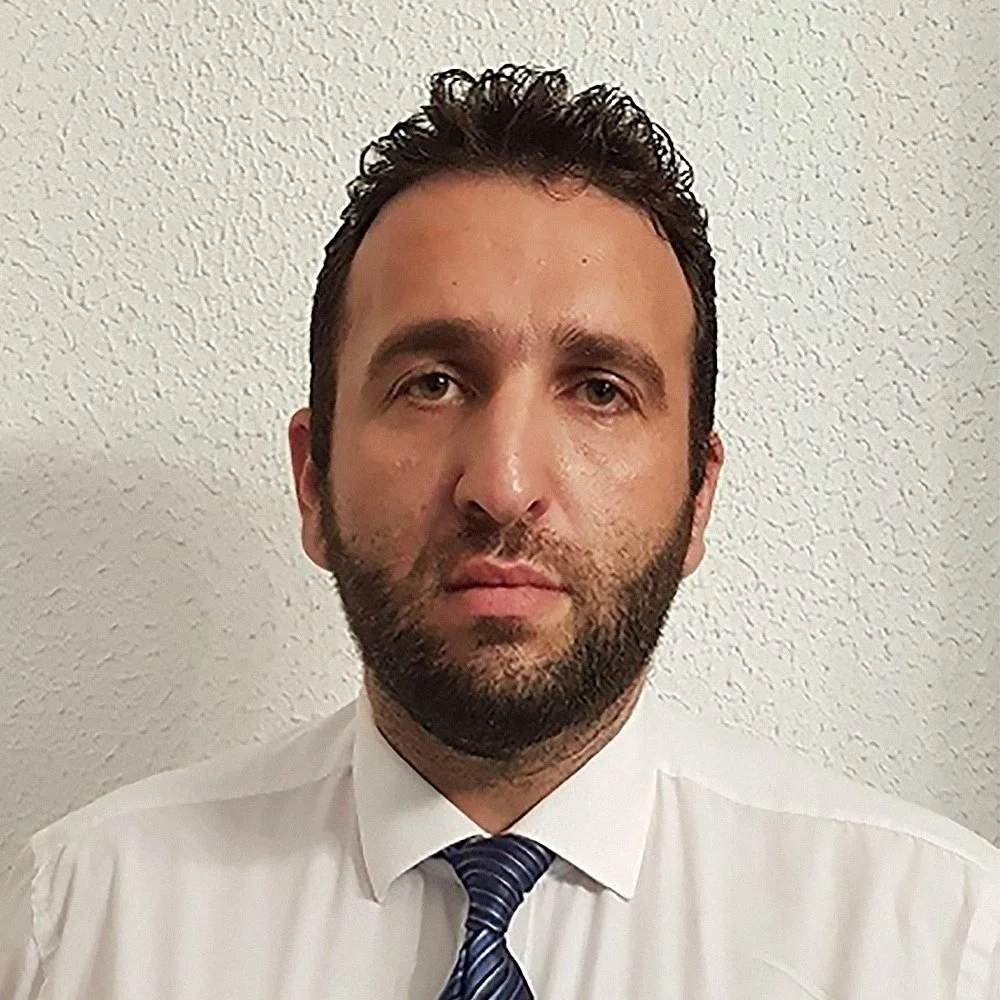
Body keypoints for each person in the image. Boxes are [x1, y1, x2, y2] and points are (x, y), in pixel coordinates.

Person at [1, 62, 997, 1000]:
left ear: (697, 496)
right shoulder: (85, 924)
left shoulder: (930, 939)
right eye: (431, 382)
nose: (504, 483)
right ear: (313, 480)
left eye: (599, 390)